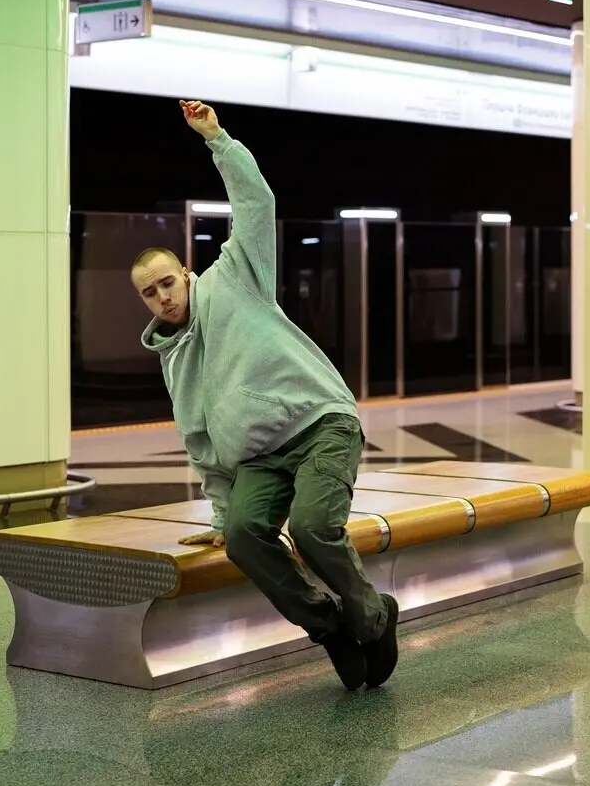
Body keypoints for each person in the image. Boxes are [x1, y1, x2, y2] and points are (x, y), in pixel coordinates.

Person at [130, 100, 399, 692]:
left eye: (168, 282)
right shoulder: (174, 360)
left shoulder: (235, 277)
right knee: (243, 539)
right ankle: (329, 627)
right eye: (149, 293)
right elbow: (200, 439)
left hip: (319, 424)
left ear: (186, 274)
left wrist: (217, 139)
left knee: (311, 527)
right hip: (258, 458)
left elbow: (257, 203)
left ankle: (373, 617)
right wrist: (222, 516)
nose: (163, 297)